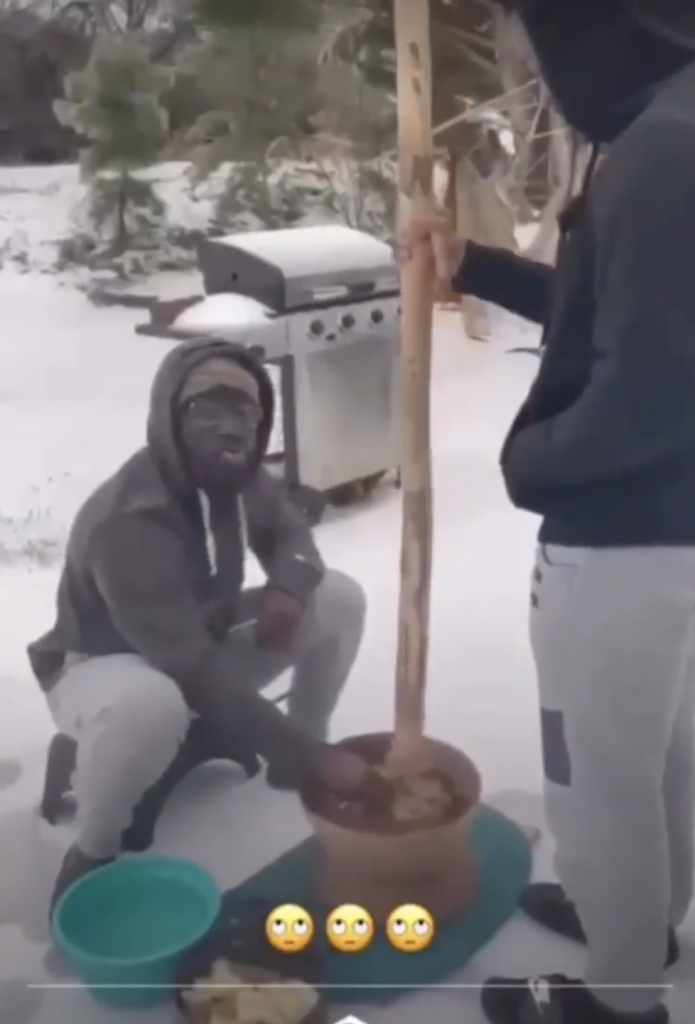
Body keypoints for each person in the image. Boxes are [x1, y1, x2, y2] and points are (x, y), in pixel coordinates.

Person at [402, 2, 695, 1023]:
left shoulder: (662, 151)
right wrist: (475, 268)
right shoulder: (669, 128)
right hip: (672, 535)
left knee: (596, 785)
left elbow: (650, 386)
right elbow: (619, 305)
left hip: (617, 543)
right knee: (656, 754)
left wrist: (531, 462)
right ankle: (638, 926)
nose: (538, 68)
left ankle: (617, 999)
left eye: (540, 41)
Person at [29, 339, 377, 912]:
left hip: (193, 641)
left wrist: (288, 587)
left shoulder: (237, 479)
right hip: (99, 663)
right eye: (207, 410)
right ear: (170, 417)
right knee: (153, 703)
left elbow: (293, 535)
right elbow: (189, 667)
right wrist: (323, 763)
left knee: (335, 597)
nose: (231, 429)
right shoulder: (130, 519)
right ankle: (93, 850)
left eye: (245, 412)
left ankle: (300, 753)